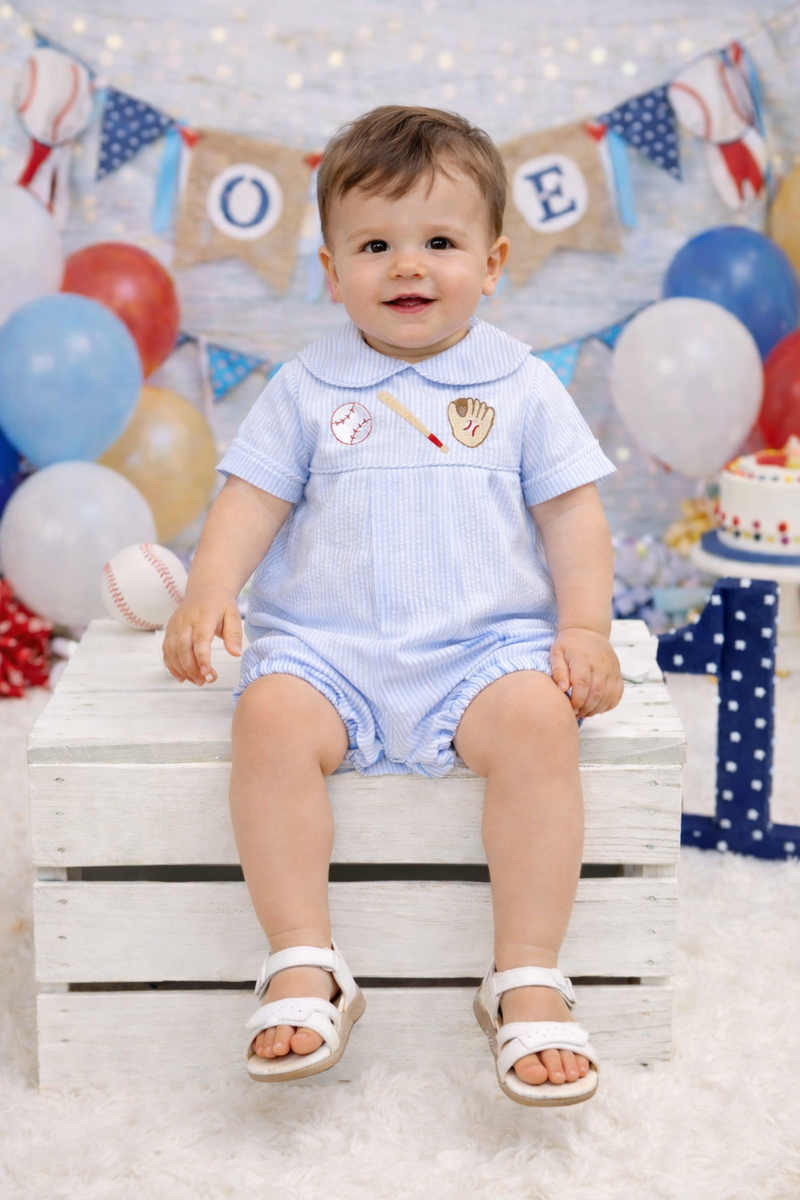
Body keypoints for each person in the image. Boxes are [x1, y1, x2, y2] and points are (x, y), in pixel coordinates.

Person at [162, 105, 623, 1104]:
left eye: (440, 243)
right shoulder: (306, 385)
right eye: (374, 246)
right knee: (267, 718)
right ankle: (303, 956)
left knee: (541, 727)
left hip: (481, 657)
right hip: (329, 654)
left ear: (492, 263)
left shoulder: (521, 384)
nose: (407, 265)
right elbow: (250, 498)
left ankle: (525, 971)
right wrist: (208, 588)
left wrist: (583, 628)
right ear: (333, 272)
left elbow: (572, 518)